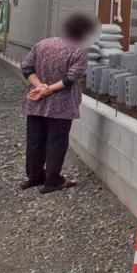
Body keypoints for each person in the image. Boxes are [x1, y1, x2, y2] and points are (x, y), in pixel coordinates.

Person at [19, 12, 96, 193]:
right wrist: (50, 90)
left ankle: (34, 176)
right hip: (61, 105)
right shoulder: (79, 50)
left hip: (36, 101)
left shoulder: (42, 44)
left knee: (35, 140)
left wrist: (39, 86)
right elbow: (71, 78)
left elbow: (26, 67)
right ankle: (52, 180)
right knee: (56, 141)